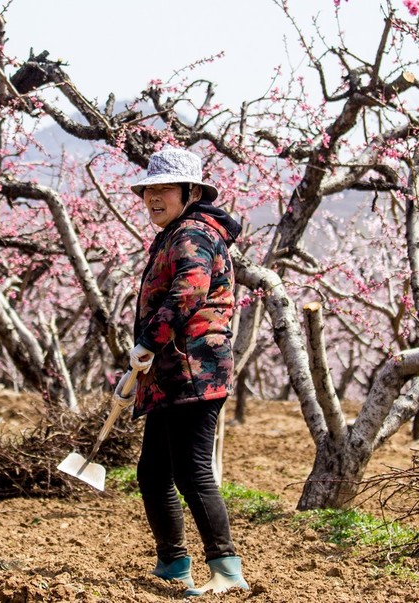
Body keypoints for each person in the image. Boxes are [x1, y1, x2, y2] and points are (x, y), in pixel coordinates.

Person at [115, 146, 248, 597]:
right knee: (153, 473)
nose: (153, 197)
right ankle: (173, 563)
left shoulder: (191, 232)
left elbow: (190, 289)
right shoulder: (177, 232)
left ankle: (227, 569)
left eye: (164, 188)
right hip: (172, 371)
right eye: (148, 189)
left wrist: (147, 342)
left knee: (192, 471)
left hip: (194, 368)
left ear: (191, 192)